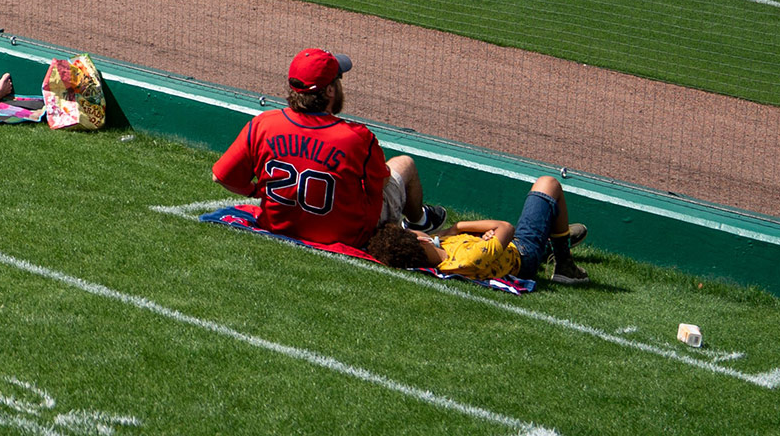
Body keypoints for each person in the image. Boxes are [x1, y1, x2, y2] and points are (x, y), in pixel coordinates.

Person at [212, 49, 397, 250]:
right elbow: (382, 182)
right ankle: (419, 220)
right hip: (346, 237)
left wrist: (254, 192)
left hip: (277, 226)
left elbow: (221, 177)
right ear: (330, 91)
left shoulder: (264, 124)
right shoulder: (357, 137)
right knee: (404, 165)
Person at [366, 173, 591, 285]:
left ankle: (551, 243)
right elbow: (505, 227)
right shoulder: (466, 259)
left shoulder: (438, 251)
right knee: (548, 183)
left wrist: (483, 237)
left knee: (542, 219)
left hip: (500, 247)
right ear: (420, 241)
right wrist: (458, 227)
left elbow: (492, 237)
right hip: (522, 253)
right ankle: (564, 263)